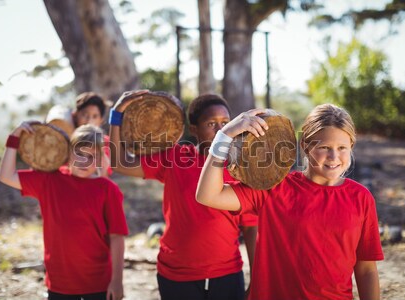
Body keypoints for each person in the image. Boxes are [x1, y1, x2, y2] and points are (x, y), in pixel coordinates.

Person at [196, 104, 384, 300]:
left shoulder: (361, 198)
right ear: (304, 145)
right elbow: (208, 195)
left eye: (342, 148)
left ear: (351, 146)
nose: (333, 157)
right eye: (324, 147)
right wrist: (224, 136)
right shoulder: (275, 188)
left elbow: (366, 269)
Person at [109, 90, 258, 300]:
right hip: (176, 276)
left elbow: (251, 228)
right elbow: (119, 162)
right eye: (211, 124)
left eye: (225, 122)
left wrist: (256, 279)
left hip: (226, 275)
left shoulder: (240, 169)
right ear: (194, 129)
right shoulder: (175, 158)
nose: (221, 129)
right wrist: (116, 114)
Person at [0, 123, 128, 300]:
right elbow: (6, 175)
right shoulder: (49, 181)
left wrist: (117, 281)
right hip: (60, 283)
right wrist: (14, 137)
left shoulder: (107, 189)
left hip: (99, 283)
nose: (85, 161)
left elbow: (117, 237)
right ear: (68, 152)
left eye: (93, 156)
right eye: (80, 153)